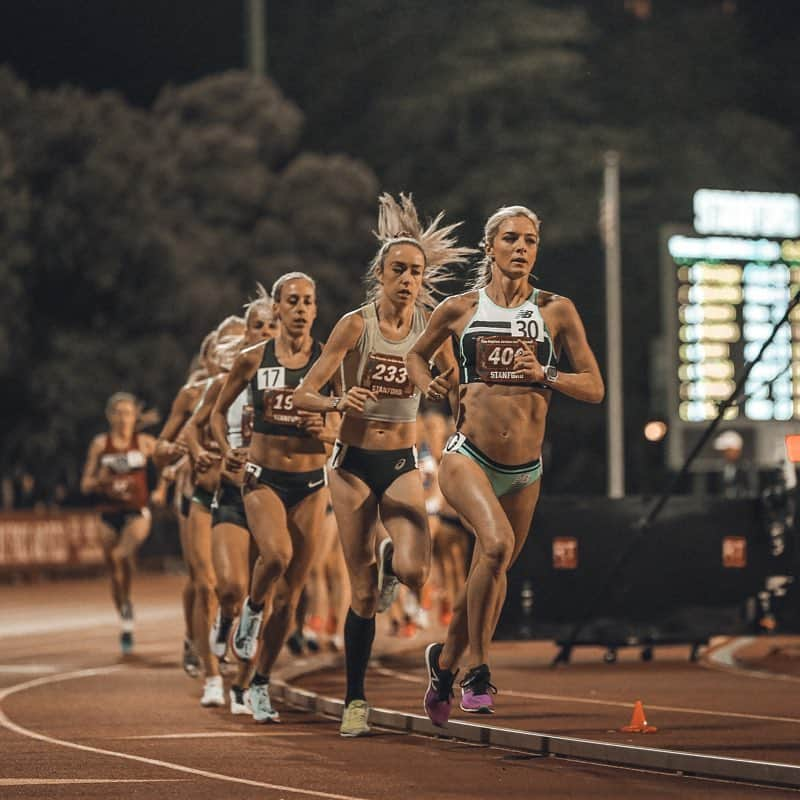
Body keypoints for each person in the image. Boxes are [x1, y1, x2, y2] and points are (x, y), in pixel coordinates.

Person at [406, 205, 604, 724]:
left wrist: (547, 373)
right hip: (466, 455)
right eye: (511, 238)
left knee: (490, 569)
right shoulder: (459, 309)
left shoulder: (556, 310)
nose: (522, 248)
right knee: (494, 546)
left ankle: (443, 663)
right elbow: (415, 354)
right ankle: (477, 670)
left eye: (531, 241)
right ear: (490, 246)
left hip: (525, 470)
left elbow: (595, 388)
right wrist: (427, 382)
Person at [293, 194, 472, 736]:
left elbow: (457, 385)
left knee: (416, 572)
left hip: (400, 460)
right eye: (399, 270)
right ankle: (355, 699)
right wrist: (334, 402)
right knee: (364, 593)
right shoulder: (354, 325)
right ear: (380, 274)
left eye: (416, 272)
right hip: (350, 464)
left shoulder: (430, 327)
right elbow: (305, 393)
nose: (408, 280)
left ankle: (397, 559)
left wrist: (457, 405)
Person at [212, 272, 338, 723]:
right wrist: (229, 452)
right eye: (292, 301)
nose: (301, 309)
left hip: (310, 484)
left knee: (292, 597)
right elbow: (214, 414)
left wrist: (323, 428)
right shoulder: (252, 359)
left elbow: (343, 423)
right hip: (262, 478)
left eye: (308, 301)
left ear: (315, 309)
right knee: (277, 555)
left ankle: (261, 681)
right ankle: (250, 608)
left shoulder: (328, 361)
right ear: (278, 309)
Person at [183, 286, 277, 713]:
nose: (264, 331)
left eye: (269, 325)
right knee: (228, 589)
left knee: (267, 595)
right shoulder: (227, 380)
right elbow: (193, 426)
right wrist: (209, 451)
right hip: (226, 493)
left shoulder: (299, 374)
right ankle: (212, 665)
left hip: (278, 492)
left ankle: (243, 682)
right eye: (256, 326)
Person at [80, 392, 158, 654]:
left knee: (122, 554)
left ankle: (126, 606)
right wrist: (100, 481)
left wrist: (163, 489)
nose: (123, 418)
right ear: (110, 416)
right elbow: (86, 484)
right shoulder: (101, 445)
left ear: (135, 416)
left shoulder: (146, 443)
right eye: (118, 413)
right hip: (108, 511)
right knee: (113, 567)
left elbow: (170, 464)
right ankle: (125, 614)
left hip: (137, 511)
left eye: (128, 413)